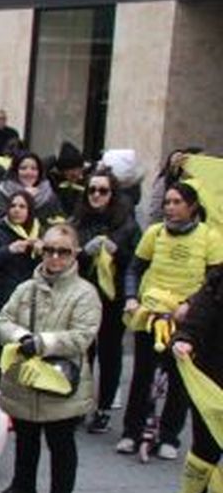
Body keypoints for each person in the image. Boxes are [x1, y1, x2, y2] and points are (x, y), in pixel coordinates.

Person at [0, 224, 100, 493]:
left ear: (74, 253)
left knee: (61, 443)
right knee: (25, 436)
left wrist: (43, 342)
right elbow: (2, 320)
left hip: (61, 381)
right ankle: (22, 488)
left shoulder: (84, 293)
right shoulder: (26, 288)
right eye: (49, 249)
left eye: (63, 251)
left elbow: (82, 336)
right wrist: (20, 335)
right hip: (26, 377)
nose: (55, 257)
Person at [120, 183, 223, 458]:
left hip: (186, 320)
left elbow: (214, 282)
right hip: (150, 316)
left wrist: (190, 305)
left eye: (177, 202)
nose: (170, 207)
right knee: (142, 375)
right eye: (167, 202)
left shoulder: (210, 238)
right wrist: (131, 297)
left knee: (179, 379)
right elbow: (134, 268)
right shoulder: (154, 233)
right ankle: (132, 431)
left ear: (192, 206)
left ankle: (169, 437)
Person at [71, 169, 140, 433]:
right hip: (83, 293)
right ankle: (80, 402)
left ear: (113, 194)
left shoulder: (128, 223)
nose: (96, 195)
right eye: (92, 190)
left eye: (103, 191)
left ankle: (104, 407)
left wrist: (117, 251)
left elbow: (137, 261)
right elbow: (65, 255)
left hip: (114, 295)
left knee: (110, 352)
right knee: (82, 350)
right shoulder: (78, 220)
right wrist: (84, 253)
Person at [173, 268, 223, 493]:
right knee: (206, 450)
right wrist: (185, 340)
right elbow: (197, 319)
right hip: (214, 382)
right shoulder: (218, 283)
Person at [0, 190, 42, 373]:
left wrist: (42, 252)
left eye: (22, 206)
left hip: (28, 306)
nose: (17, 210)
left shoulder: (37, 233)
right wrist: (7, 251)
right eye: (13, 206)